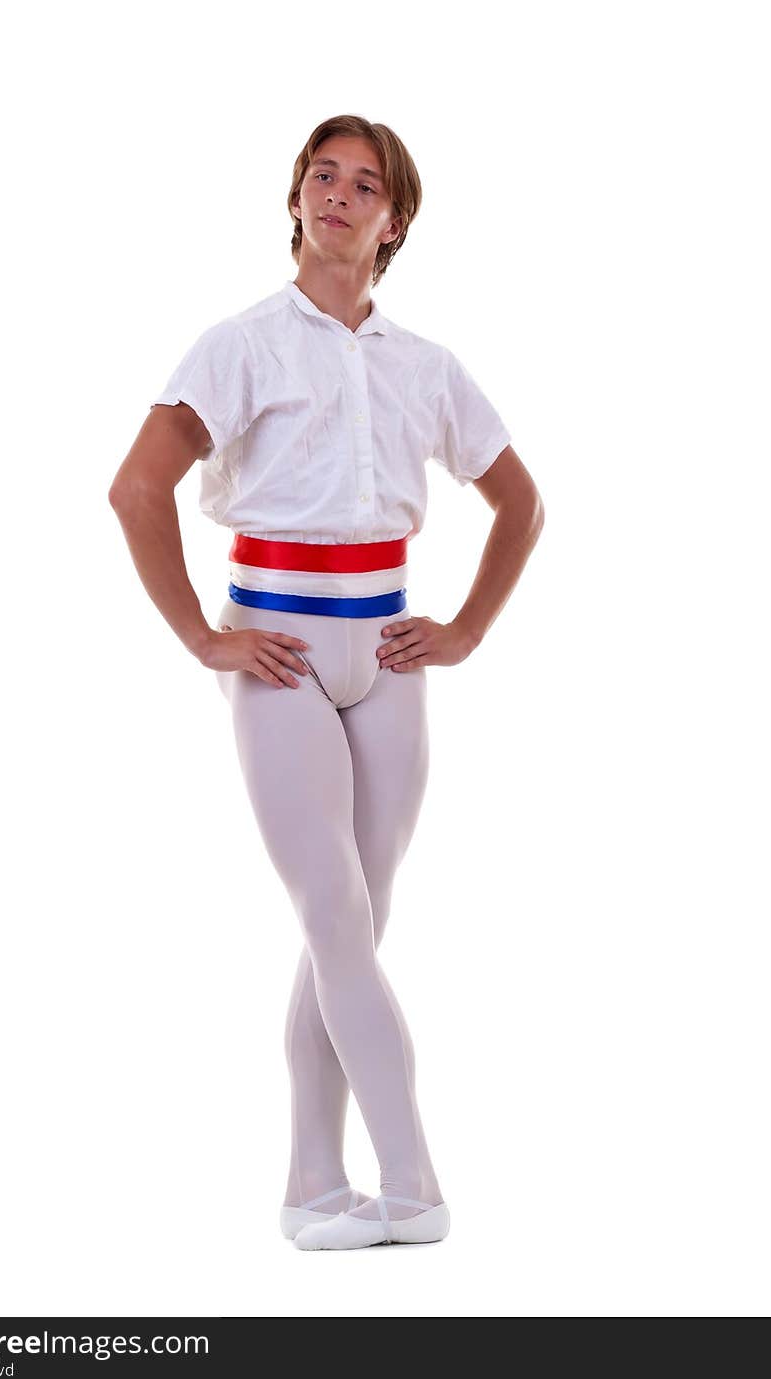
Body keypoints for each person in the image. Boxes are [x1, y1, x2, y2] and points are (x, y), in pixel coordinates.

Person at [109, 114, 544, 1251]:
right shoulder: (240, 343)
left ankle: (312, 1187)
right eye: (322, 177)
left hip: (389, 656)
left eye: (365, 185)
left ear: (394, 221)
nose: (339, 195)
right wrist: (208, 637)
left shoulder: (425, 364)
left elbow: (520, 502)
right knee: (337, 913)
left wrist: (469, 628)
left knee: (354, 923)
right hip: (280, 653)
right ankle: (412, 1180)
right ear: (296, 199)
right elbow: (137, 489)